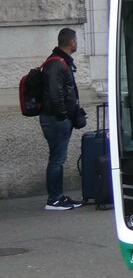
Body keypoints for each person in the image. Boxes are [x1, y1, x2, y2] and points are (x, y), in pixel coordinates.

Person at [40, 27, 85, 211]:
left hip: (56, 118)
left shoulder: (58, 61)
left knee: (57, 158)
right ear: (72, 42)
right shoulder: (58, 63)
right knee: (57, 159)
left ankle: (57, 196)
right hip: (56, 119)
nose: (77, 43)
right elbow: (54, 93)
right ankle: (54, 199)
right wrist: (63, 115)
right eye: (76, 41)